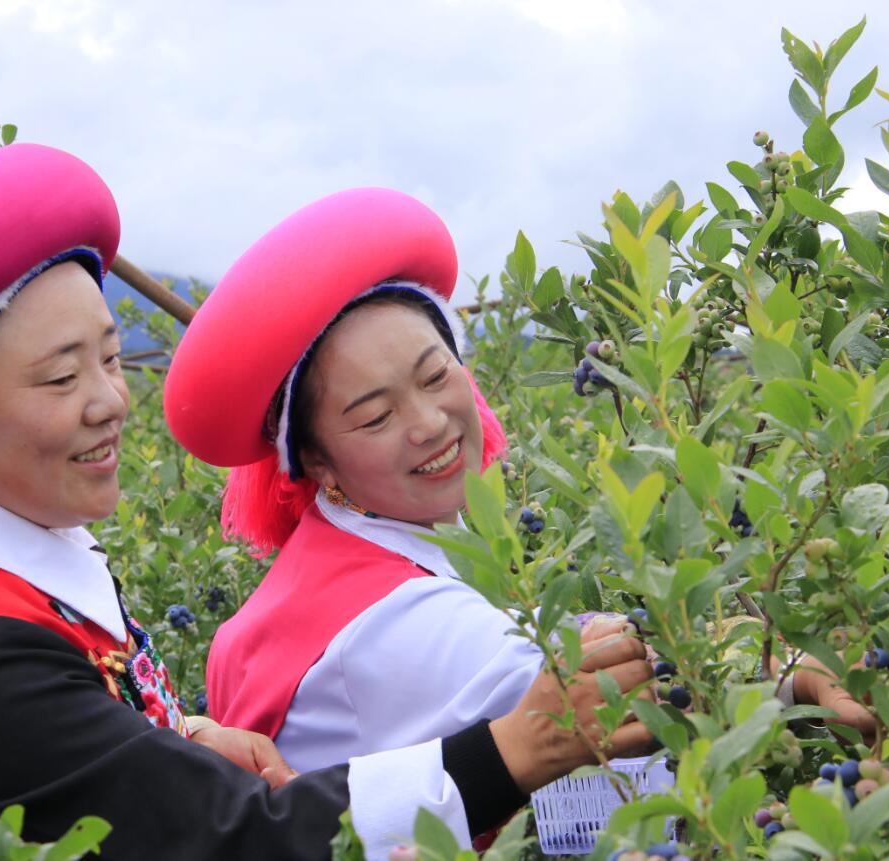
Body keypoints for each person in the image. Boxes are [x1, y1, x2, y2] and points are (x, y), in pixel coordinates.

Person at [0, 145, 655, 859]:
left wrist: (161, 741)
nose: (112, 400)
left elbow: (72, 779)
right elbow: (233, 844)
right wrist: (517, 747)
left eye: (108, 354)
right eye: (61, 376)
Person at [164, 188, 626, 777]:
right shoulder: (389, 619)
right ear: (318, 462)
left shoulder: (330, 566)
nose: (429, 424)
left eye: (435, 377)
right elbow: (624, 701)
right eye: (376, 417)